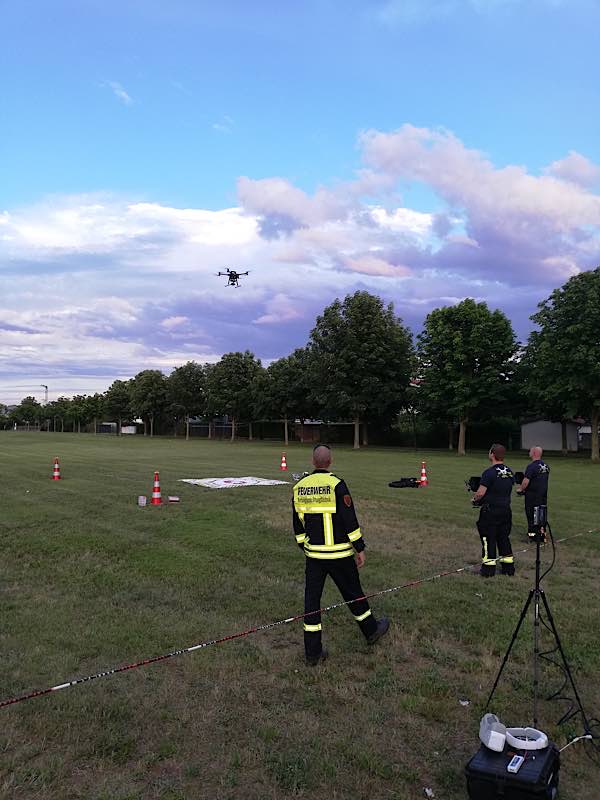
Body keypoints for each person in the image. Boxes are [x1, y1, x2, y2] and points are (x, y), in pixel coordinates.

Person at [292, 444, 389, 666]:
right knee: (354, 593)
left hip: (314, 557)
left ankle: (312, 653)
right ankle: (371, 631)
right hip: (340, 554)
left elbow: (297, 525)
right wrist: (360, 547)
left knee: (312, 602)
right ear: (330, 461)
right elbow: (349, 521)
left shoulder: (299, 487)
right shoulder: (337, 485)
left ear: (313, 461)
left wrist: (305, 546)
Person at [471, 443, 515, 577]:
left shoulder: (489, 473)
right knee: (503, 538)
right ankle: (508, 568)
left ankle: (488, 570)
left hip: (490, 512)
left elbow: (481, 493)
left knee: (488, 539)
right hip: (506, 511)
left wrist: (474, 500)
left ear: (492, 454)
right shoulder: (509, 472)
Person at [518, 446, 550, 538]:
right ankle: (542, 534)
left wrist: (521, 489)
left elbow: (526, 481)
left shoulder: (531, 466)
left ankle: (533, 536)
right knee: (541, 516)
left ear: (534, 453)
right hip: (543, 496)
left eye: (530, 451)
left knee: (532, 516)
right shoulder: (545, 466)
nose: (529, 452)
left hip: (532, 496)